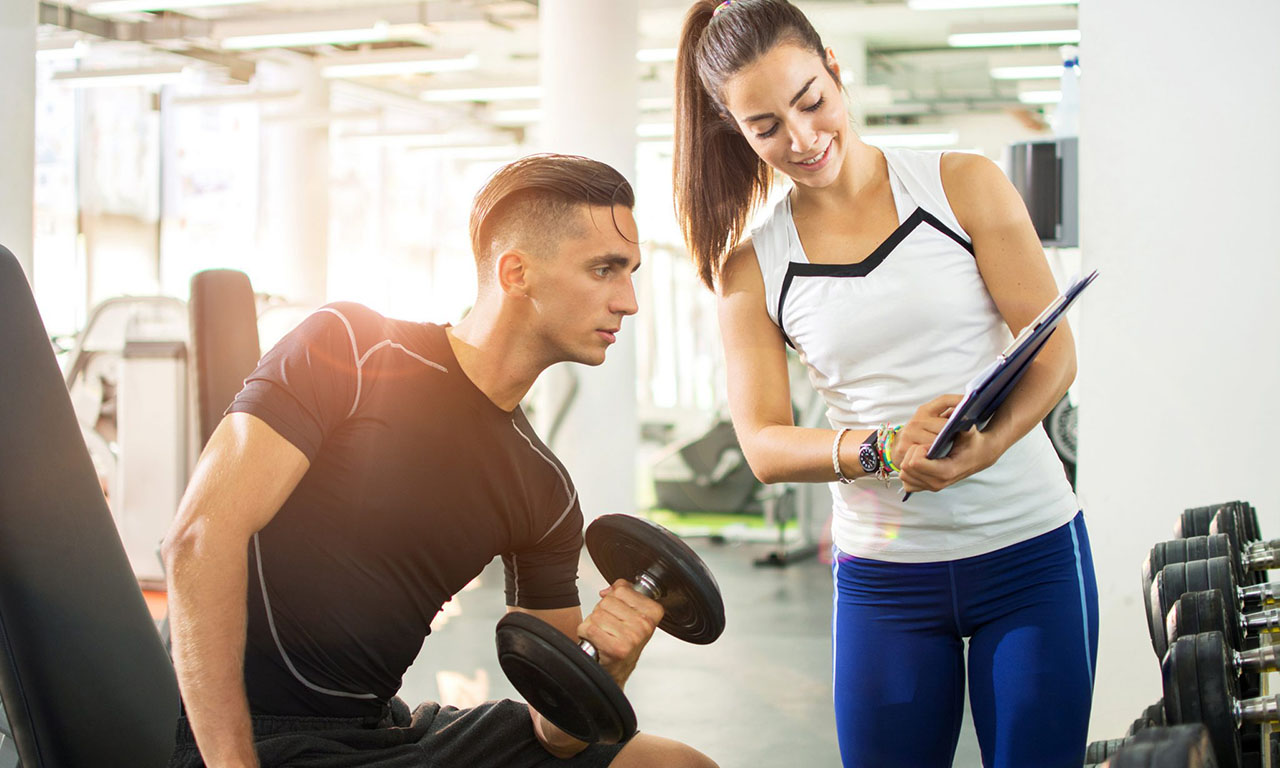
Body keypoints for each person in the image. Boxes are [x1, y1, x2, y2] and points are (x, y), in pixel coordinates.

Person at [163, 154, 717, 768]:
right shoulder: (353, 347)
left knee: (677, 765)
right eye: (604, 270)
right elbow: (198, 537)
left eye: (631, 273)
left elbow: (557, 734)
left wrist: (609, 661)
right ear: (516, 273)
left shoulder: (544, 490)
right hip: (251, 735)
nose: (629, 302)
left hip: (379, 735)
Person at [673, 2, 1097, 767]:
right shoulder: (752, 268)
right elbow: (764, 444)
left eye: (811, 101)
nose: (802, 139)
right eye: (766, 127)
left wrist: (990, 444)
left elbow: (1053, 351)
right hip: (886, 582)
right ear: (735, 130)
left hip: (1027, 553)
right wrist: (883, 448)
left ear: (835, 69)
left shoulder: (961, 184)